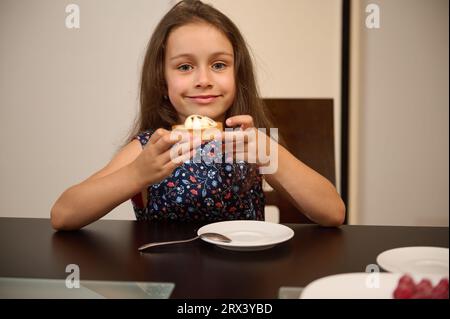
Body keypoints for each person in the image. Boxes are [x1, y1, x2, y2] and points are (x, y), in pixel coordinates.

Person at [51, 0, 345, 231]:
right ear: (161, 82)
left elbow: (333, 213)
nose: (203, 79)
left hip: (245, 282)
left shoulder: (250, 144)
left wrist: (270, 154)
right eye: (184, 67)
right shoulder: (150, 148)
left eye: (218, 65)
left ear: (237, 75)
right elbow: (63, 214)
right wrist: (137, 174)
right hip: (166, 282)